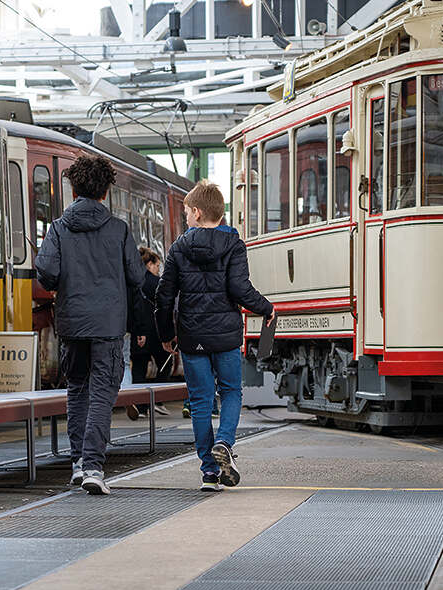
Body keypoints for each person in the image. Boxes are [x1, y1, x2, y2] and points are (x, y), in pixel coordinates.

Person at [36, 155, 145, 496]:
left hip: (72, 322)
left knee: (78, 389)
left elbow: (47, 272)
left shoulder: (58, 228)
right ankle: (93, 465)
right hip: (108, 323)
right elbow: (137, 276)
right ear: (106, 191)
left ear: (73, 189)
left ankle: (77, 462)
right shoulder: (118, 229)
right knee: (101, 392)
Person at [155, 180, 274, 492]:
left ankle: (209, 472)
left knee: (200, 402)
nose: (185, 220)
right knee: (232, 391)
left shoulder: (179, 247)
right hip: (225, 336)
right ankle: (225, 442)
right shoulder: (234, 244)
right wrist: (266, 308)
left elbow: (164, 295)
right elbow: (240, 288)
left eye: (186, 214)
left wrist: (166, 333)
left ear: (196, 212)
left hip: (192, 336)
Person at [128, 246, 170, 418]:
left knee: (138, 369)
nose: (157, 270)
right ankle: (157, 399)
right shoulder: (155, 283)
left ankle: (141, 407)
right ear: (149, 263)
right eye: (156, 266)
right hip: (155, 332)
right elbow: (165, 306)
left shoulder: (131, 281)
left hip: (136, 331)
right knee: (166, 363)